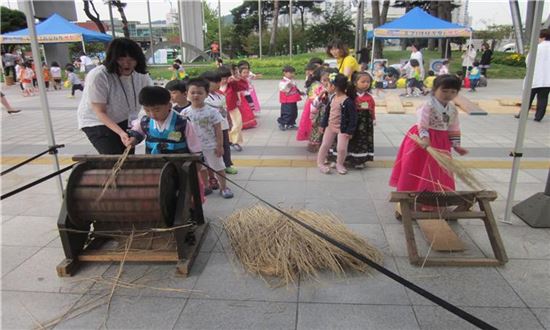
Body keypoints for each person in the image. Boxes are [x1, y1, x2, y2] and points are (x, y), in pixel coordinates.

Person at [389, 74, 468, 193]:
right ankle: (413, 191)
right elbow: (422, 123)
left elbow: (453, 127)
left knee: (438, 168)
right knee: (419, 165)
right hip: (423, 138)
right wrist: (425, 138)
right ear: (434, 90)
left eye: (453, 92)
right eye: (444, 91)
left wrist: (456, 145)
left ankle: (435, 193)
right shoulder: (428, 106)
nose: (448, 95)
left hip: (441, 140)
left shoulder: (452, 109)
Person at [77, 37, 152, 155]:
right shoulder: (99, 76)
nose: (127, 64)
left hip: (126, 120)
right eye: (121, 59)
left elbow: (153, 97)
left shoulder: (141, 75)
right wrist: (121, 133)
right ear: (112, 58)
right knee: (113, 159)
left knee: (127, 159)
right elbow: (100, 112)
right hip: (98, 122)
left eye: (131, 59)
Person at [181, 78, 234, 199]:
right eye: (192, 92)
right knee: (202, 169)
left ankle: (224, 187)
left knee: (219, 167)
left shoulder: (212, 112)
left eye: (200, 93)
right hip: (195, 149)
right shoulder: (184, 113)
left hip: (211, 146)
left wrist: (219, 146)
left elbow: (218, 130)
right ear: (187, 94)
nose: (196, 95)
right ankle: (206, 186)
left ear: (206, 94)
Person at [125, 86, 200, 155]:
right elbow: (137, 133)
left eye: (157, 110)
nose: (152, 114)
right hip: (153, 163)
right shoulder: (145, 121)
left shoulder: (183, 123)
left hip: (179, 164)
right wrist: (132, 140)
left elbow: (195, 147)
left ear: (169, 106)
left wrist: (199, 164)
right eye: (147, 110)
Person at [317, 73, 357, 175]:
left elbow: (353, 118)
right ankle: (320, 163)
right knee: (325, 145)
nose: (327, 87)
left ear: (334, 87)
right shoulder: (332, 97)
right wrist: (323, 124)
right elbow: (327, 113)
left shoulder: (347, 101)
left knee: (342, 148)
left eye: (328, 85)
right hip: (330, 126)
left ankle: (340, 164)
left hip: (343, 129)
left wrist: (350, 131)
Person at [201, 70, 238, 175]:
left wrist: (230, 121)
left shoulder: (220, 96)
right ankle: (213, 167)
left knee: (225, 145)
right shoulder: (203, 98)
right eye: (215, 82)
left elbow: (225, 109)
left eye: (218, 81)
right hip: (211, 127)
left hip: (223, 124)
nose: (219, 84)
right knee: (214, 147)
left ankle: (227, 165)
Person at [339, 71, 375, 168]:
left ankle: (359, 160)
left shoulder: (369, 97)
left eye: (368, 82)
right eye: (363, 82)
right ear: (355, 83)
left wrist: (373, 118)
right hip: (350, 120)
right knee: (348, 138)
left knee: (361, 140)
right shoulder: (350, 95)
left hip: (364, 122)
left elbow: (372, 108)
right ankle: (345, 158)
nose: (366, 84)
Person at [514, 29, 550, 122]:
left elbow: (528, 61)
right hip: (547, 79)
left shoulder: (537, 48)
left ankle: (523, 114)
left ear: (542, 37)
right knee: (543, 98)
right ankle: (539, 116)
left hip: (534, 76)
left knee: (528, 97)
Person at [218, 65, 248, 152]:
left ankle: (235, 141)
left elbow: (244, 86)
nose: (224, 80)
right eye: (222, 78)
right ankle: (226, 141)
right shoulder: (215, 87)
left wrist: (236, 80)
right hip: (221, 111)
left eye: (226, 78)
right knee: (223, 127)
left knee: (237, 124)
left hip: (232, 108)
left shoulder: (232, 84)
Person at [309, 68, 332, 153]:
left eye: (329, 80)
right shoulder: (319, 89)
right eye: (324, 80)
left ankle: (328, 150)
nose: (326, 82)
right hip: (321, 115)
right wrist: (320, 95)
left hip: (332, 116)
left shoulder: (335, 91)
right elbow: (315, 103)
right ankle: (319, 148)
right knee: (319, 130)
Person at [296, 62, 320, 142]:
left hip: (311, 101)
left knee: (311, 120)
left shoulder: (314, 81)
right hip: (314, 102)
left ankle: (312, 137)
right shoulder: (316, 82)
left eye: (310, 70)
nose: (308, 72)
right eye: (308, 70)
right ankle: (313, 137)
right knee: (313, 120)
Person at [278, 65, 302, 131]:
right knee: (287, 113)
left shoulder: (292, 81)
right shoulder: (283, 82)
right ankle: (282, 123)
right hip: (287, 101)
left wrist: (300, 92)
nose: (292, 74)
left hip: (293, 99)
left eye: (293, 73)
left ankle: (291, 124)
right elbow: (282, 89)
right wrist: (288, 85)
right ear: (284, 73)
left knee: (294, 112)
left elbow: (296, 88)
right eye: (290, 73)